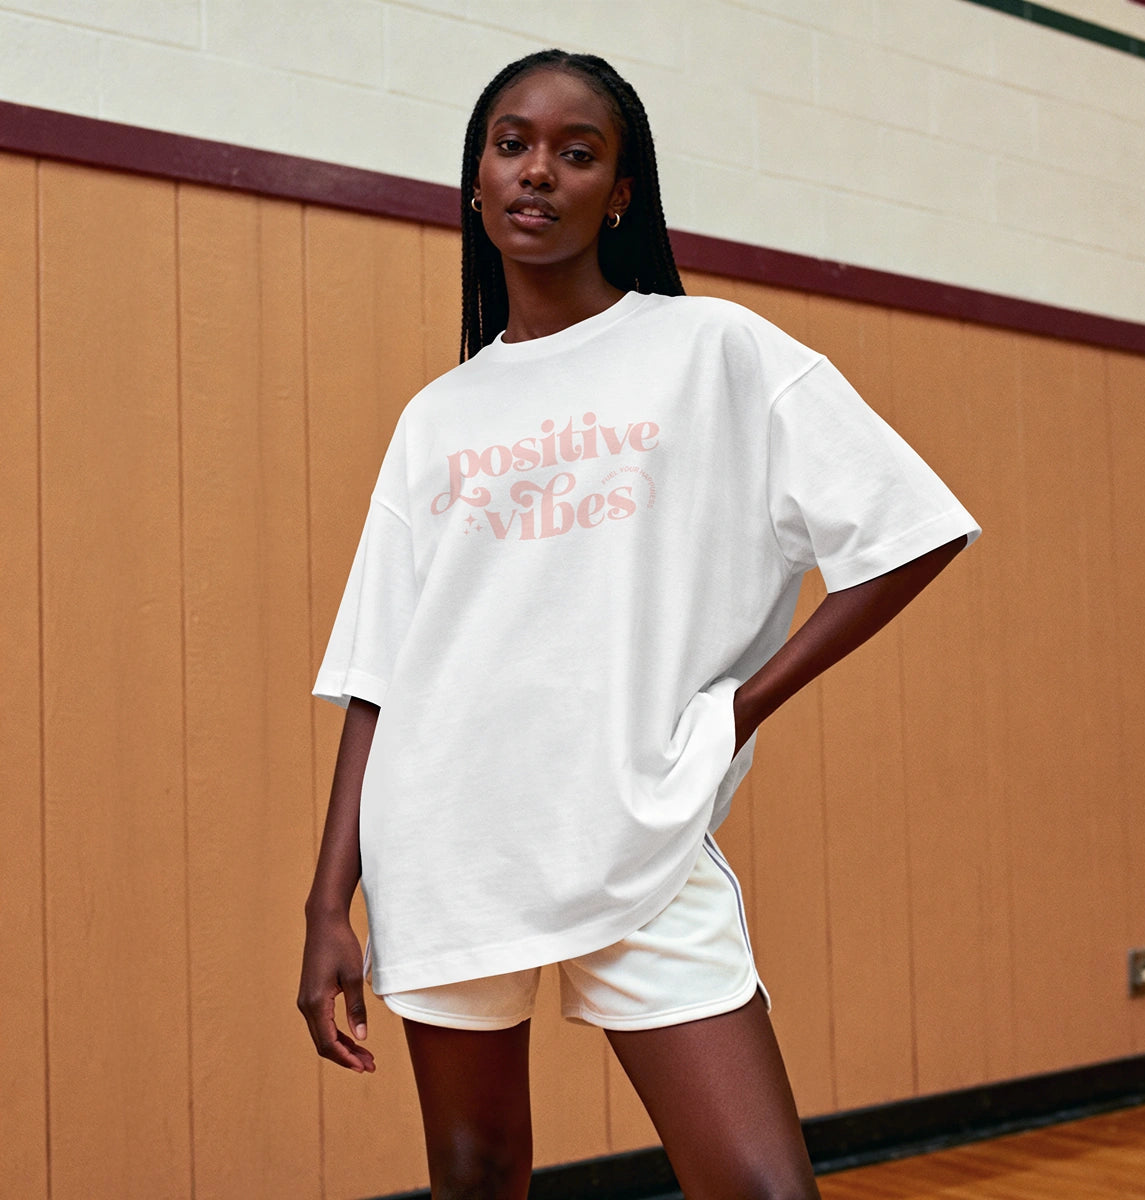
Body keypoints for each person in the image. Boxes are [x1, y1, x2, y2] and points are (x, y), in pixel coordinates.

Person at [298, 48, 979, 1200]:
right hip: (448, 838)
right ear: (474, 176)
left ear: (621, 192)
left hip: (643, 828)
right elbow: (381, 673)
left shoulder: (714, 350)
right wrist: (328, 905)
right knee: (477, 1174)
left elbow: (911, 529)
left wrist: (731, 709)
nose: (538, 173)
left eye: (577, 153)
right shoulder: (437, 417)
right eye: (512, 144)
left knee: (765, 1190)